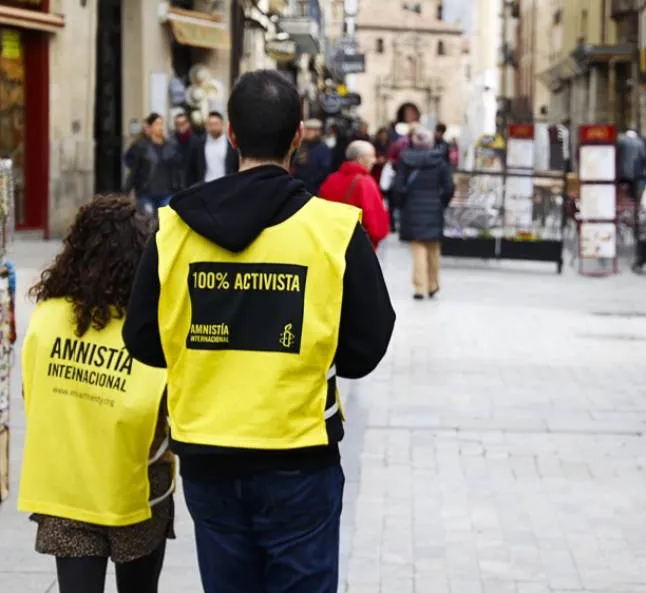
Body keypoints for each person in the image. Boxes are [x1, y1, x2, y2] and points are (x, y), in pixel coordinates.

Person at [121, 69, 396, 593]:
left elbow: (141, 339)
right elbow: (369, 343)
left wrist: (206, 347)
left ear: (233, 136)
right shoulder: (334, 230)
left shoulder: (175, 227)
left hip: (206, 451)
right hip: (298, 457)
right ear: (298, 135)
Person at [18, 195, 174, 593]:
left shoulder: (48, 316)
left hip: (67, 490)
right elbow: (169, 411)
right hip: (137, 493)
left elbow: (32, 393)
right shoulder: (152, 326)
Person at [391, 127, 454, 300]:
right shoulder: (440, 160)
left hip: (412, 206)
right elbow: (448, 187)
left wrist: (401, 204)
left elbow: (398, 186)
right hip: (434, 206)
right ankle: (433, 284)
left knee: (418, 247)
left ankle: (420, 287)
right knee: (433, 247)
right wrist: (441, 202)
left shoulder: (405, 158)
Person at [319, 140, 390, 249]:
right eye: (372, 156)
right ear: (360, 158)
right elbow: (374, 218)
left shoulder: (331, 179)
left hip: (333, 242)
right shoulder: (365, 182)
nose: (374, 160)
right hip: (359, 244)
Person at [123, 113, 184, 216]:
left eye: (161, 124)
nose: (160, 127)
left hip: (167, 193)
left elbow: (178, 170)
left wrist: (181, 189)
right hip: (146, 193)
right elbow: (134, 170)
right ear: (150, 127)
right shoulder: (141, 146)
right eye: (157, 124)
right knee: (148, 223)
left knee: (164, 223)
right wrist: (126, 191)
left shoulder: (172, 146)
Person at [188, 110, 239, 185]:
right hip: (205, 185)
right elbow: (192, 167)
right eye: (210, 124)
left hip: (226, 185)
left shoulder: (231, 144)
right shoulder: (199, 144)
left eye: (215, 124)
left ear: (222, 124)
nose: (213, 127)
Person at [293, 118, 334, 196]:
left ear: (317, 132)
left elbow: (325, 170)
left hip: (315, 189)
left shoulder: (322, 148)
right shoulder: (300, 146)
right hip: (299, 188)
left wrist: (312, 181)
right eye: (306, 130)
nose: (306, 132)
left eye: (309, 130)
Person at [617, 127, 646, 198]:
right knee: (633, 193)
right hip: (635, 171)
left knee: (622, 191)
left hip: (622, 171)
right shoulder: (640, 143)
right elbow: (643, 156)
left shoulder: (621, 142)